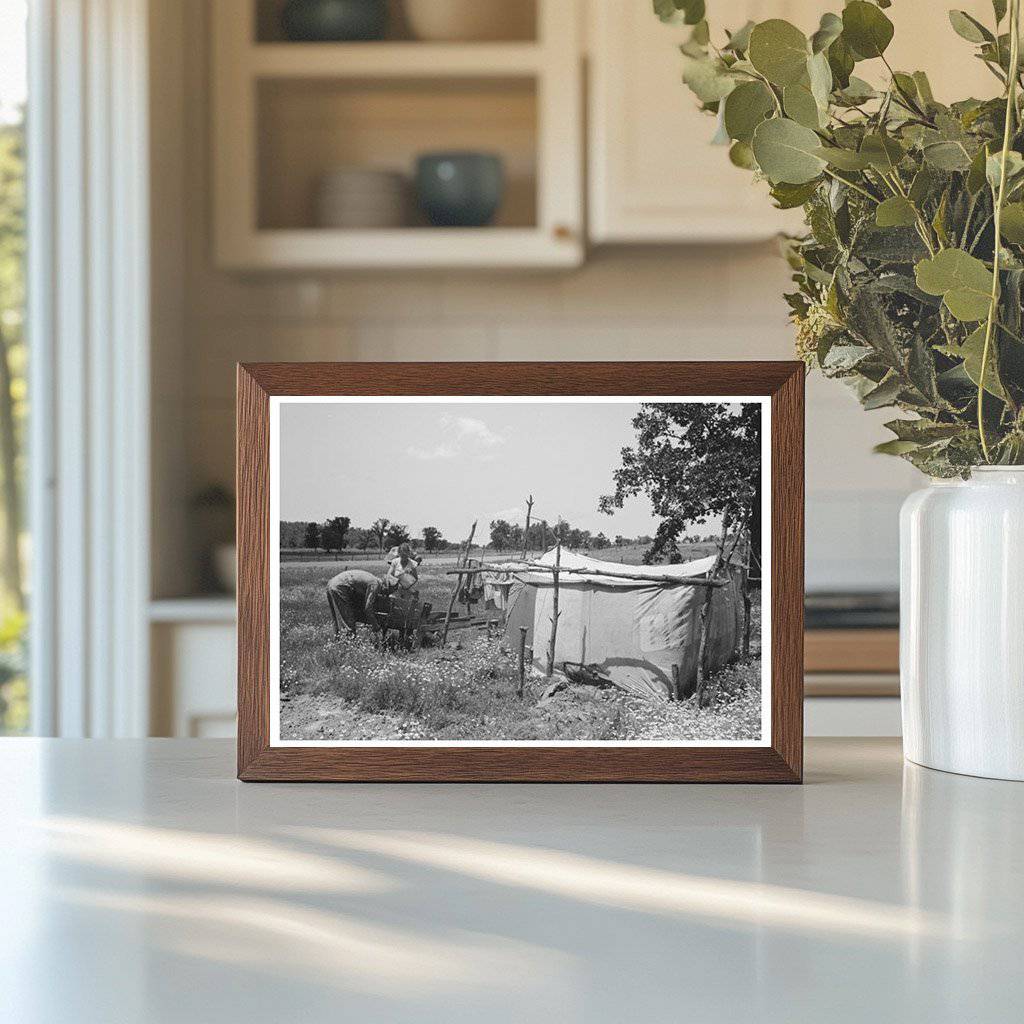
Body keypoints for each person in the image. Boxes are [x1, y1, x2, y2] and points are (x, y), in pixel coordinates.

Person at [325, 568, 382, 639]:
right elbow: (368, 608)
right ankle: (349, 641)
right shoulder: (375, 584)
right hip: (339, 586)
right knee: (348, 617)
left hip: (334, 582)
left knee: (339, 616)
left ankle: (339, 638)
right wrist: (375, 625)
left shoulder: (373, 579)